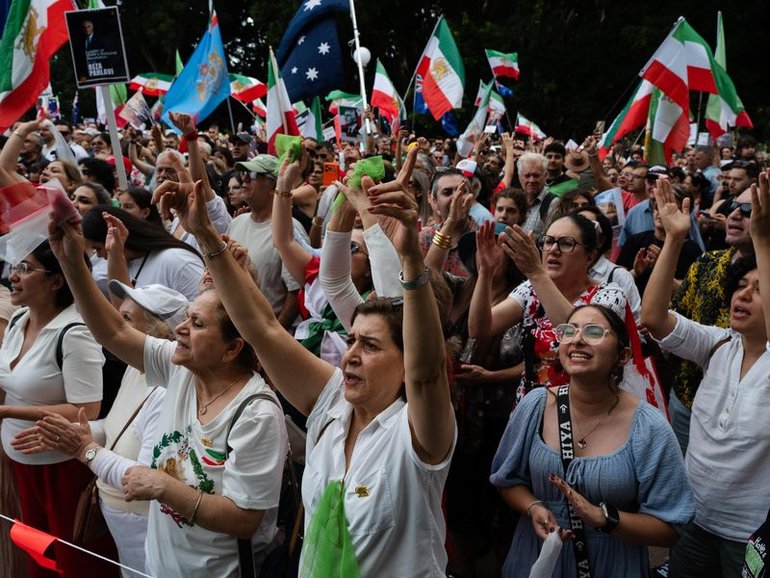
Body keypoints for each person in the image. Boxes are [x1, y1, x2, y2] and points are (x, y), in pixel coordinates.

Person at [156, 148, 456, 576]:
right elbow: (261, 328)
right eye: (351, 341)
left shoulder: (417, 433)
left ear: (407, 361)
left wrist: (410, 259)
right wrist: (205, 235)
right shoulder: (332, 402)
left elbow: (426, 376)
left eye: (371, 347)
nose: (350, 356)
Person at [34, 215, 289, 577]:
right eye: (186, 317)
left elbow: (244, 519)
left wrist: (164, 487)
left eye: (197, 324)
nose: (180, 328)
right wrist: (72, 262)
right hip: (159, 566)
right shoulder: (180, 369)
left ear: (232, 348)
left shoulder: (256, 413)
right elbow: (114, 332)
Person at [490, 302, 694, 578]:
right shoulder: (536, 405)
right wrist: (534, 507)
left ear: (622, 355)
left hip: (611, 564)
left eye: (594, 332)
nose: (577, 339)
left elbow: (670, 528)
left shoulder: (649, 427)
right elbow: (506, 480)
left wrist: (604, 518)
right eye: (569, 331)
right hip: (537, 557)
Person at [641, 174, 770, 578]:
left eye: (759, 289)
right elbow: (653, 318)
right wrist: (674, 240)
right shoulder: (718, 344)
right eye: (740, 285)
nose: (742, 295)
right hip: (693, 520)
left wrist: (763, 239)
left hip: (750, 536)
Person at [13, 283, 187, 577]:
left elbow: (145, 479)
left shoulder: (164, 391)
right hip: (119, 518)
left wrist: (84, 449)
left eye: (126, 320)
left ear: (159, 335)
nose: (114, 327)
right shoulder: (135, 369)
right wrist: (66, 433)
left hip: (141, 524)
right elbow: (114, 428)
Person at [0, 242, 118, 578]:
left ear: (56, 281)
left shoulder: (74, 332)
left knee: (73, 560)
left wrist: (8, 413)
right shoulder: (19, 319)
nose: (13, 277)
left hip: (61, 466)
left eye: (26, 269)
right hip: (20, 462)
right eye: (15, 267)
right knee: (38, 553)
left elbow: (87, 409)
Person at [469, 213, 626, 403]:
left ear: (589, 257)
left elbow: (577, 335)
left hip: (583, 406)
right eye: (549, 241)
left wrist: (536, 272)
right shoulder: (531, 288)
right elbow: (479, 328)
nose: (553, 250)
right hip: (532, 405)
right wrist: (486, 272)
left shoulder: (609, 294)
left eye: (566, 243)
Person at [82, 206, 205, 300]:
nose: (98, 256)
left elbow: (204, 310)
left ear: (115, 236)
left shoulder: (177, 260)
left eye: (98, 248)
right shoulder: (123, 267)